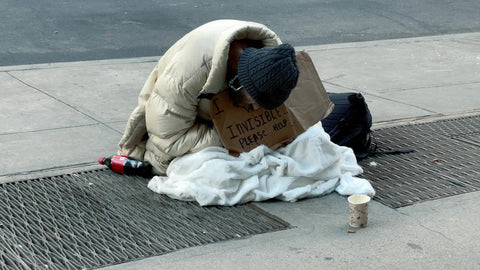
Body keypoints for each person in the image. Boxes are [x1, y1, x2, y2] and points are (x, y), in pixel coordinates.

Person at [118, 20, 299, 175]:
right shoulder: (186, 77)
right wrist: (229, 136)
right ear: (238, 83)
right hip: (175, 105)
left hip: (207, 92)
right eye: (255, 103)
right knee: (163, 164)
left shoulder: (275, 65)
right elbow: (169, 140)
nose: (255, 111)